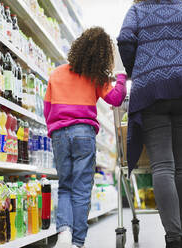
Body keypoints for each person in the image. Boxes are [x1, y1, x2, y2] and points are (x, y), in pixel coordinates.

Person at [117, 0, 182, 248]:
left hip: (151, 89)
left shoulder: (137, 11)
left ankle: (174, 238)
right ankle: (177, 234)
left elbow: (125, 40)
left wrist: (137, 67)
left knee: (163, 167)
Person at [44, 27, 127, 248]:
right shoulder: (96, 77)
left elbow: (47, 109)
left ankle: (64, 233)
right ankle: (77, 242)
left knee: (65, 186)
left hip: (60, 134)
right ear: (102, 55)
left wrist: (54, 130)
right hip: (84, 133)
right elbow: (116, 99)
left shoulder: (57, 73)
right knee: (81, 189)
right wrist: (121, 76)